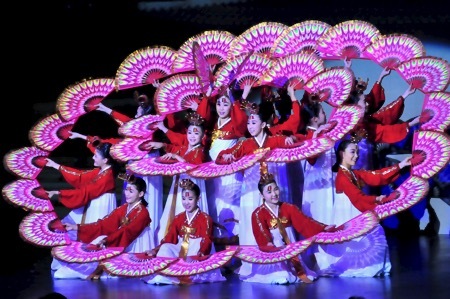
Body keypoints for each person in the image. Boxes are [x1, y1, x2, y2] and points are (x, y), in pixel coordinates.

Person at [315, 139, 412, 277]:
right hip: (348, 215)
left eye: (358, 152)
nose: (357, 156)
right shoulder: (342, 176)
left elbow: (377, 176)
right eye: (353, 152)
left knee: (375, 232)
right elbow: (357, 197)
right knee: (365, 237)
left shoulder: (354, 173)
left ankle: (371, 265)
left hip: (356, 210)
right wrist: (377, 199)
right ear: (342, 153)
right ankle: (362, 265)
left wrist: (401, 165)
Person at [52, 175, 152, 279]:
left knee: (101, 243)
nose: (126, 194)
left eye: (131, 191)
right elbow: (104, 224)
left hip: (133, 245)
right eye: (126, 189)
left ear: (141, 194)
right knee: (97, 238)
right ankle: (82, 267)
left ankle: (87, 270)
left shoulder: (142, 212)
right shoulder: (124, 208)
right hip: (120, 239)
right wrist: (76, 227)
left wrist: (107, 240)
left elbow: (126, 231)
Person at [247, 167, 335, 284]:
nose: (274, 194)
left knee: (300, 272)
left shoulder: (288, 208)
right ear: (261, 195)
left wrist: (323, 228)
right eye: (269, 192)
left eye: (276, 189)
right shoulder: (257, 213)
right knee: (281, 275)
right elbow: (261, 232)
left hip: (290, 246)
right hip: (274, 249)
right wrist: (268, 244)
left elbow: (305, 222)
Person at [189, 84, 251, 243]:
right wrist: (208, 95)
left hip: (230, 173)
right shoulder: (213, 124)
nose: (221, 108)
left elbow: (242, 122)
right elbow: (200, 120)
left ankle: (233, 246)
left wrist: (236, 99)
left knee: (230, 206)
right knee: (214, 206)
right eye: (219, 103)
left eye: (225, 104)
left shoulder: (235, 124)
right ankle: (217, 246)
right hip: (212, 174)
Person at [141, 112, 210, 243]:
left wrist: (176, 157)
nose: (192, 136)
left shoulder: (200, 151)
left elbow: (193, 166)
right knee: (172, 215)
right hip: (178, 187)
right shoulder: (185, 148)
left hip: (190, 189)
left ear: (202, 135)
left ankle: (186, 243)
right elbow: (174, 147)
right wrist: (162, 145)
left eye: (196, 133)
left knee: (183, 211)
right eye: (190, 132)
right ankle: (168, 241)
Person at [142, 179, 226, 285]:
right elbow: (169, 238)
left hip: (198, 248)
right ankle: (166, 272)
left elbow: (207, 239)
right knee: (165, 247)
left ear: (198, 198)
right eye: (183, 198)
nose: (186, 202)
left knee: (194, 267)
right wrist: (155, 250)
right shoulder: (178, 218)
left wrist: (201, 253)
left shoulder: (205, 218)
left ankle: (181, 274)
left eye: (190, 199)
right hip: (181, 247)